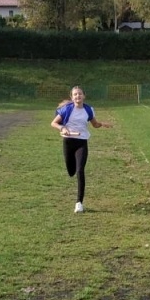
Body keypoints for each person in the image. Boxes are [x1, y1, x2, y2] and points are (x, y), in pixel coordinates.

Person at [51, 86, 111, 214]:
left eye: (80, 94)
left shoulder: (88, 110)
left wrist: (102, 124)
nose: (78, 96)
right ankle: (73, 174)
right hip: (68, 141)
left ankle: (79, 203)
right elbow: (54, 123)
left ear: (84, 96)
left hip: (82, 142)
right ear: (72, 97)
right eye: (75, 94)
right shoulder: (67, 109)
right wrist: (62, 128)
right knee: (71, 171)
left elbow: (94, 124)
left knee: (80, 171)